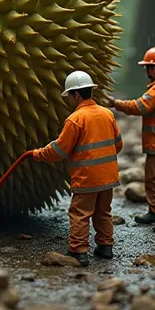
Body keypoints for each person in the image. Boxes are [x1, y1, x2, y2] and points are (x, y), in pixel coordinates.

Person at [32, 71, 123, 266]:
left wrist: (39, 154)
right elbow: (119, 144)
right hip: (108, 176)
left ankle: (79, 251)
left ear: (75, 94)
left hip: (87, 177)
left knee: (80, 213)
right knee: (103, 212)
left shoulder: (75, 119)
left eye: (69, 96)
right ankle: (105, 247)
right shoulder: (107, 114)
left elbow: (59, 150)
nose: (69, 101)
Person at [105, 46, 155, 225]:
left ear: (154, 68)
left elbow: (139, 107)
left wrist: (115, 103)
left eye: (147, 67)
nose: (146, 71)